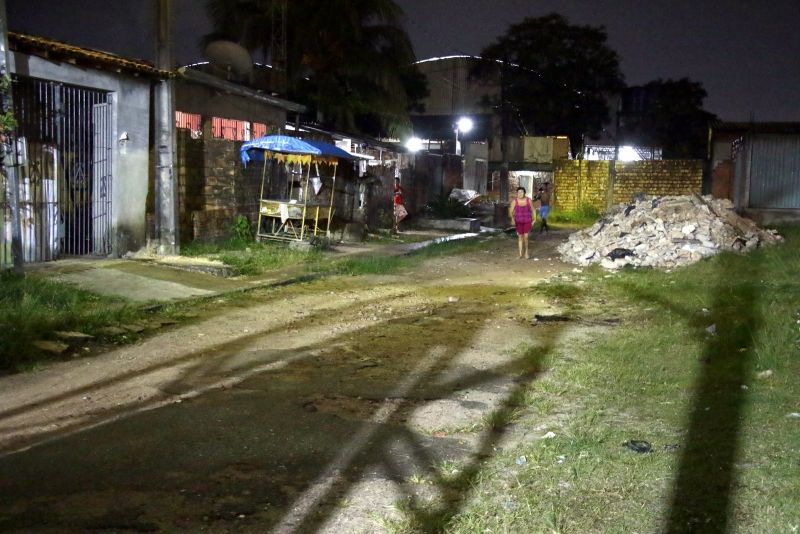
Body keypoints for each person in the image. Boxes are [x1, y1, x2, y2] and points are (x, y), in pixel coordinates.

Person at [509, 186, 535, 259]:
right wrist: (512, 219)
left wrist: (534, 219)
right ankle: (520, 254)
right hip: (518, 221)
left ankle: (526, 252)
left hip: (527, 220)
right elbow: (511, 211)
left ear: (524, 193)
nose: (520, 193)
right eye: (518, 192)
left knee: (526, 237)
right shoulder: (515, 201)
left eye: (521, 192)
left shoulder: (528, 200)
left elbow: (533, 210)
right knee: (520, 237)